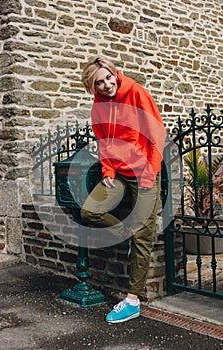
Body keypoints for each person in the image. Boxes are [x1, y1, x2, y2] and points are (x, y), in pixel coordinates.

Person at [80, 55, 166, 323]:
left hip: (144, 172)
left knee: (144, 236)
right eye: (99, 83)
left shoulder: (136, 93)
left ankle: (132, 301)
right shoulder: (98, 107)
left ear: (115, 72)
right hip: (118, 173)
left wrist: (150, 172)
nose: (106, 85)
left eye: (108, 77)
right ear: (92, 88)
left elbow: (157, 134)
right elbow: (104, 142)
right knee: (90, 211)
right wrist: (107, 171)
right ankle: (124, 232)